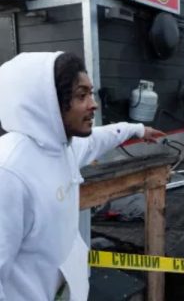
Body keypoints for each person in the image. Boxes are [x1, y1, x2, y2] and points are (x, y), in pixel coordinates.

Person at [0, 52, 165, 300]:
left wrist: (138, 129)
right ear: (49, 101)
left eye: (91, 92)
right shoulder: (9, 173)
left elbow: (100, 138)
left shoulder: (61, 145)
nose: (93, 103)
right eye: (81, 95)